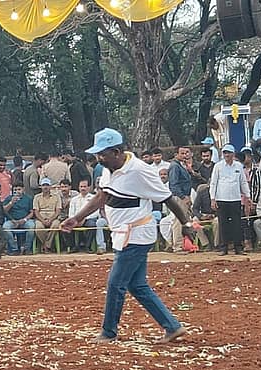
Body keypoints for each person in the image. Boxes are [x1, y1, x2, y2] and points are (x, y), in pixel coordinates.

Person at [62, 128, 191, 344]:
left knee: (116, 284)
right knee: (136, 285)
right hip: (123, 233)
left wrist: (185, 224)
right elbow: (102, 195)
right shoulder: (109, 169)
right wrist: (77, 217)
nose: (98, 158)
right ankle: (172, 326)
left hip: (137, 234)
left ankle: (108, 332)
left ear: (116, 152)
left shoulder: (140, 171)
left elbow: (168, 198)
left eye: (102, 154)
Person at [210, 144, 251, 255]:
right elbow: (213, 183)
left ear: (233, 154)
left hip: (235, 199)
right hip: (221, 199)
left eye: (228, 152)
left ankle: (238, 248)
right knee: (223, 224)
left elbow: (243, 182)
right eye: (225, 153)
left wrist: (247, 196)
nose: (227, 155)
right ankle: (223, 248)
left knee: (237, 224)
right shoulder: (218, 166)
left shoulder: (239, 166)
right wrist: (213, 199)